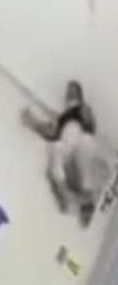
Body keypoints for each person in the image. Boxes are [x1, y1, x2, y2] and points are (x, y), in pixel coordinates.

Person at [22, 80, 114, 227]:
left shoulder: (77, 116)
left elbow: (61, 190)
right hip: (73, 141)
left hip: (73, 141)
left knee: (66, 147)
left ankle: (38, 122)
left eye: (72, 91)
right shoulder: (70, 122)